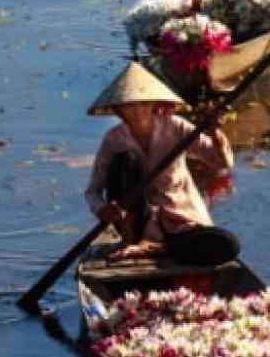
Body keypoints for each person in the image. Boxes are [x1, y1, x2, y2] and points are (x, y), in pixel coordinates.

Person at [84, 63, 241, 268]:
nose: (137, 111)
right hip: (136, 223)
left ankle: (155, 249)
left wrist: (215, 132)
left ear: (154, 105)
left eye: (142, 104)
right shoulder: (114, 139)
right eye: (129, 106)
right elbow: (93, 192)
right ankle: (136, 241)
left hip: (181, 219)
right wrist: (104, 210)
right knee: (125, 160)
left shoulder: (176, 126)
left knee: (228, 244)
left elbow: (221, 164)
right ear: (118, 111)